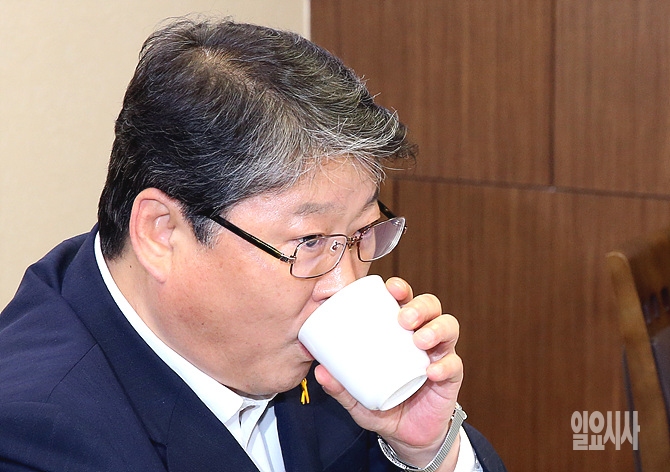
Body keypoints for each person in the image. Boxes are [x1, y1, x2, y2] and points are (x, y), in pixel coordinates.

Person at [0, 17, 506, 472]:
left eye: (360, 234)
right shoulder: (33, 439)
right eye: (310, 241)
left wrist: (427, 449)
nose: (345, 284)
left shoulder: (317, 364)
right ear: (161, 233)